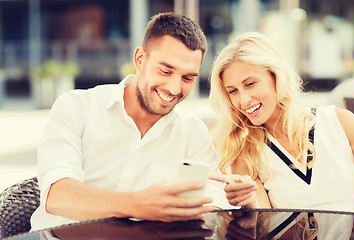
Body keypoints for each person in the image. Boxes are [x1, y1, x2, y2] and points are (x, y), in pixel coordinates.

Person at [30, 12, 235, 231]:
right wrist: (139, 205)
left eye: (187, 78)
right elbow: (57, 196)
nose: (174, 89)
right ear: (139, 59)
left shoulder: (192, 131)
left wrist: (230, 199)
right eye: (165, 71)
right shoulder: (76, 107)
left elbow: (212, 201)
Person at [208, 32, 354, 214]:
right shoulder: (246, 155)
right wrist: (249, 200)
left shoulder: (340, 122)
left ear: (276, 77)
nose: (243, 100)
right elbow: (265, 224)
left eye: (250, 84)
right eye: (233, 91)